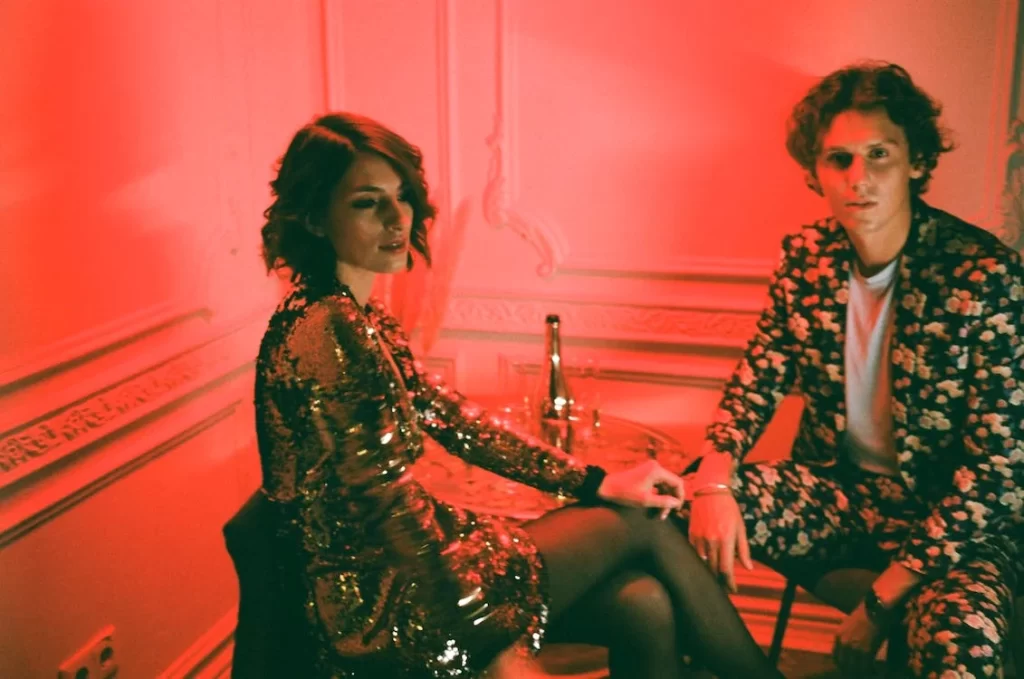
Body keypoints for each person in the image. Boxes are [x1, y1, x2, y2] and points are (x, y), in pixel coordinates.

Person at [254, 112, 783, 678]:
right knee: (646, 523)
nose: (396, 218)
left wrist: (596, 481)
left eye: (402, 196)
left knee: (643, 603)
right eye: (367, 203)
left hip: (405, 571)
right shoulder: (328, 327)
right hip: (379, 603)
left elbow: (454, 420)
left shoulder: (359, 315)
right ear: (314, 217)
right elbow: (383, 510)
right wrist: (482, 635)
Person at [682, 61, 1024, 677]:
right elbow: (758, 379)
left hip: (953, 527)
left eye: (879, 155)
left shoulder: (985, 275)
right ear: (816, 172)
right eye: (838, 159)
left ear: (917, 162)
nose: (857, 178)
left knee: (963, 652)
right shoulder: (808, 257)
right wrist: (713, 481)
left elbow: (996, 474)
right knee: (667, 505)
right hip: (840, 494)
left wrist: (879, 602)